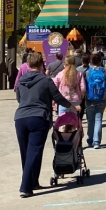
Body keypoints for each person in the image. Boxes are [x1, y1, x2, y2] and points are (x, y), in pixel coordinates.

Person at [14, 52, 72, 198]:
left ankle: (33, 182)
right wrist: (72, 107)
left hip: (20, 118)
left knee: (26, 152)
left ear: (27, 64)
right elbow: (58, 97)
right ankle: (25, 186)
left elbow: (19, 98)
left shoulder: (21, 80)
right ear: (41, 64)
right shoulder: (46, 80)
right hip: (38, 117)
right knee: (34, 152)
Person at [85, 52, 106, 149]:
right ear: (100, 61)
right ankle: (96, 142)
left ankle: (90, 140)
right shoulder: (104, 71)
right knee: (98, 119)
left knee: (90, 120)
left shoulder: (87, 72)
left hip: (89, 98)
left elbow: (84, 86)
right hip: (101, 97)